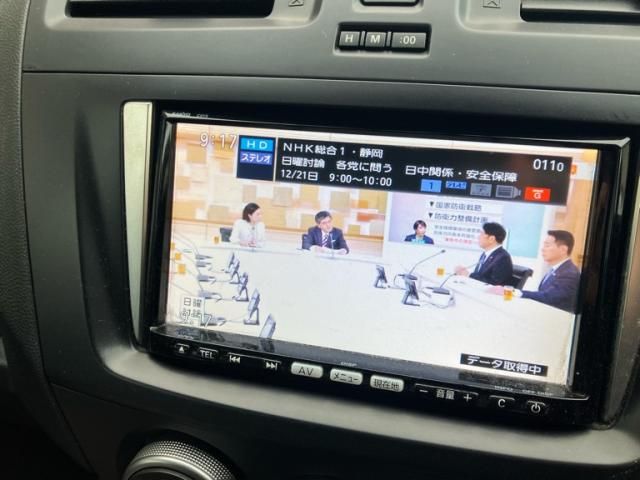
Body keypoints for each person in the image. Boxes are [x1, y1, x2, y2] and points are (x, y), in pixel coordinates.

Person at [491, 230, 580, 313]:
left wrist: (512, 292)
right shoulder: (557, 269)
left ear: (563, 250)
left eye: (547, 245)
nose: (543, 249)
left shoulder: (570, 273)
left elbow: (548, 297)